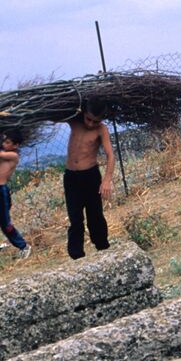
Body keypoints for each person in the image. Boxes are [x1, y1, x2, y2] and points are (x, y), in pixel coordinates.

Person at [63, 103, 114, 259]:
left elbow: (110, 155)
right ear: (84, 112)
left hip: (91, 177)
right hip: (71, 177)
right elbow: (54, 116)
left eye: (95, 121)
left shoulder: (101, 129)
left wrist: (106, 180)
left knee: (95, 215)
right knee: (75, 218)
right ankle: (76, 255)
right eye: (88, 119)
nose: (91, 124)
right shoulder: (75, 121)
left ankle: (102, 247)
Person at [0, 128, 31, 262]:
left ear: (16, 145)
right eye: (4, 141)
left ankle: (23, 246)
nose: (4, 144)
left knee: (5, 224)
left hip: (0, 192)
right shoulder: (3, 154)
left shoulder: (13, 156)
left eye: (8, 142)